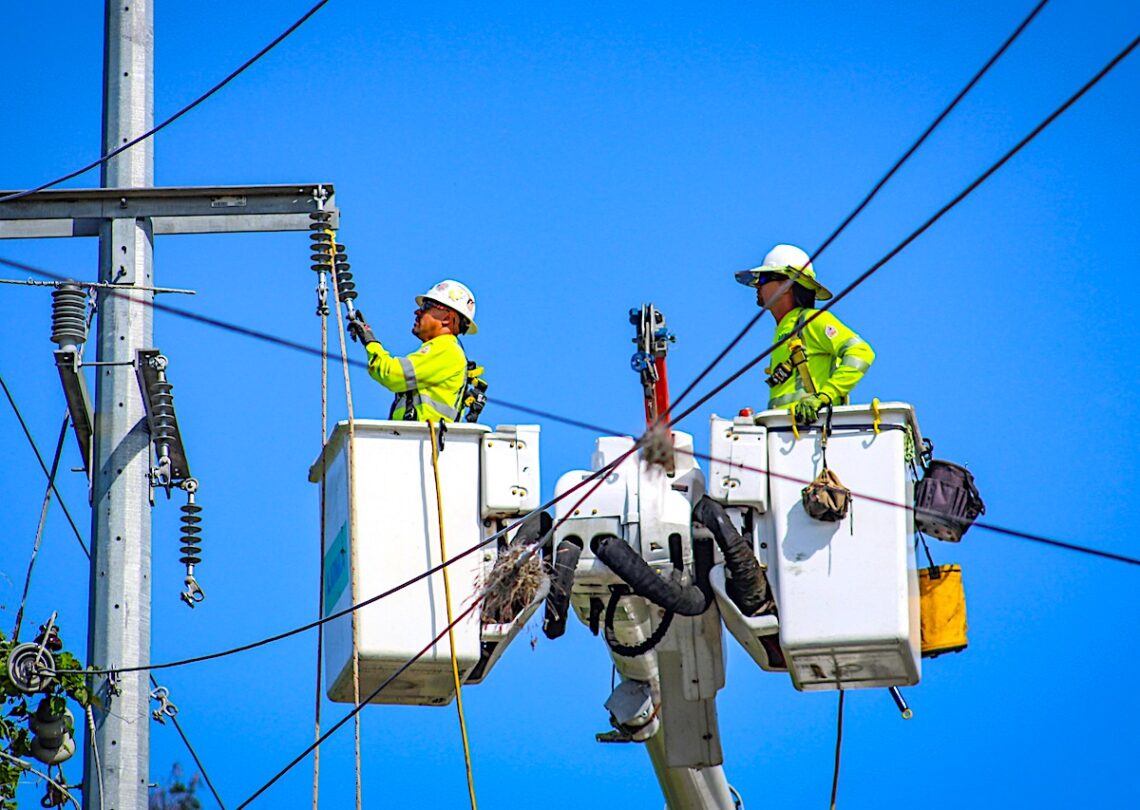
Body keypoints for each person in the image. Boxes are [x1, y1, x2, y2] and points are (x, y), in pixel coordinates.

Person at [735, 244, 874, 424]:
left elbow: (861, 352)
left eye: (762, 279)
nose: (756, 286)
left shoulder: (811, 320)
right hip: (788, 434)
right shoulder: (786, 330)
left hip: (811, 432)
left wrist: (824, 396)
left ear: (786, 285)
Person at [347, 279, 477, 422]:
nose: (417, 311)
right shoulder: (442, 350)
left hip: (424, 441)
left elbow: (392, 374)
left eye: (426, 306)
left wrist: (370, 342)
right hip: (416, 440)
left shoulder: (447, 350)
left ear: (447, 318)